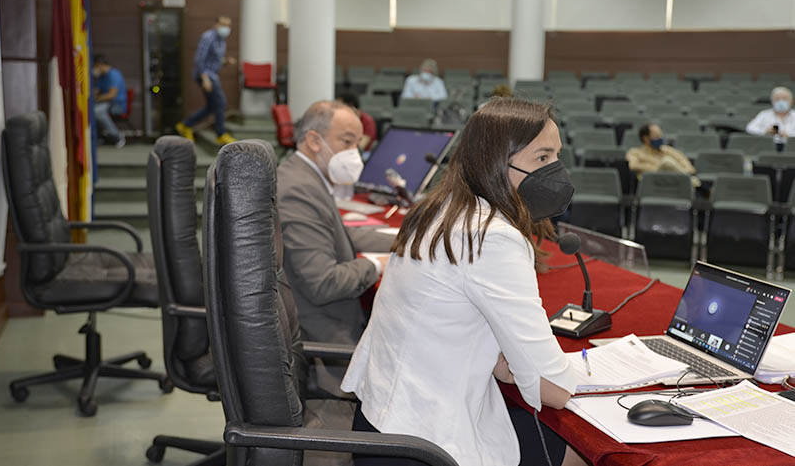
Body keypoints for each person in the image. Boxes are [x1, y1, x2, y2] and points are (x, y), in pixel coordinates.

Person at [341, 98, 585, 466]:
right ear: (497, 162)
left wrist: (513, 363)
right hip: (427, 443)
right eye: (542, 158)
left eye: (556, 157)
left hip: (384, 422)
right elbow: (553, 388)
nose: (556, 170)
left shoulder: (438, 209)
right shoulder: (492, 237)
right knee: (584, 452)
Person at [277, 100, 394, 346]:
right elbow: (324, 284)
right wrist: (379, 264)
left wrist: (404, 240)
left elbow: (338, 236)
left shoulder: (303, 176)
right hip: (321, 338)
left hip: (322, 320)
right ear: (314, 141)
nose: (355, 153)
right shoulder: (299, 190)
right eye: (346, 142)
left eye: (357, 144)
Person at [175, 16, 237, 145]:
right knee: (221, 102)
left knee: (211, 106)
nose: (226, 28)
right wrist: (205, 78)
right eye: (223, 24)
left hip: (212, 74)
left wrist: (226, 61)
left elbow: (214, 59)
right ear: (216, 24)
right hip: (205, 75)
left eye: (228, 25)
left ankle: (185, 125)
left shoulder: (222, 40)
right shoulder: (208, 37)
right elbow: (199, 59)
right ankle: (221, 134)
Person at [626, 123, 697, 184]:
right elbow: (633, 165)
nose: (660, 138)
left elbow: (689, 168)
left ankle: (689, 181)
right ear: (646, 138)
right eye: (657, 136)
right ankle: (692, 183)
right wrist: (660, 168)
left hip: (676, 181)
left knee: (667, 161)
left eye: (661, 135)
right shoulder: (635, 152)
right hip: (652, 183)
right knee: (666, 162)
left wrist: (672, 171)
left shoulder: (669, 150)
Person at [92, 54, 127, 147]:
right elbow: (96, 91)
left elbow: (111, 95)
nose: (94, 69)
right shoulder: (102, 77)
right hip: (106, 103)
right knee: (90, 110)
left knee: (97, 111)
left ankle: (116, 136)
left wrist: (96, 99)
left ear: (100, 65)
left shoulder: (113, 74)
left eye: (95, 66)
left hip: (116, 105)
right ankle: (100, 136)